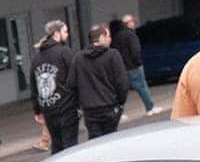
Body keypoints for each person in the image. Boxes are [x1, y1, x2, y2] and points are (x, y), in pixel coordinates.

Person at [68, 24, 129, 139]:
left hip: (90, 110)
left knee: (95, 141)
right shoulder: (112, 55)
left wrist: (80, 104)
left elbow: (71, 84)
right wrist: (120, 102)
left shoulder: (79, 58)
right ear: (102, 37)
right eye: (108, 36)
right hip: (109, 106)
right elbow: (122, 82)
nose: (110, 39)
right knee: (111, 140)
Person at [31, 19, 80, 153]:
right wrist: (80, 103)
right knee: (70, 145)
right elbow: (76, 76)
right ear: (56, 33)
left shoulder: (37, 58)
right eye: (65, 31)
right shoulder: (65, 52)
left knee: (57, 146)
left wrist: (37, 109)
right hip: (67, 107)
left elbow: (34, 85)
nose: (67, 34)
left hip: (48, 109)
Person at [114, 13, 164, 115]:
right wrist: (139, 63)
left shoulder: (117, 36)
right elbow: (135, 51)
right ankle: (150, 108)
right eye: (132, 21)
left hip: (122, 68)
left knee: (121, 92)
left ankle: (119, 113)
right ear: (128, 23)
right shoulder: (131, 34)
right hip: (133, 67)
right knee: (142, 88)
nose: (134, 23)